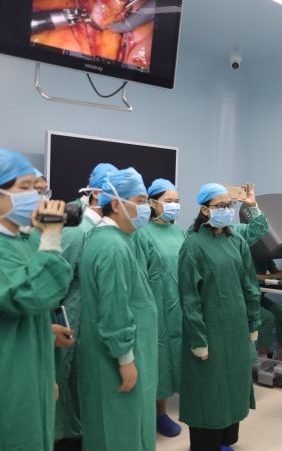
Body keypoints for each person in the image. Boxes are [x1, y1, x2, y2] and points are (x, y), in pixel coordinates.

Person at [0, 148, 73, 451]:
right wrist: (51, 237)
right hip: (2, 381)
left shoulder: (18, 241)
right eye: (25, 188)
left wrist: (44, 334)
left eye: (37, 188)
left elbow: (6, 311)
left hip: (26, 370)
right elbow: (30, 294)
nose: (35, 197)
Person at [78, 167, 158, 451]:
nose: (147, 208)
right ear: (115, 204)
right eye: (140, 201)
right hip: (114, 360)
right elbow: (114, 309)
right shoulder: (112, 246)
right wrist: (125, 359)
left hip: (124, 353)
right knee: (119, 432)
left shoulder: (118, 240)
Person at [178, 183, 261, 451]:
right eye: (220, 206)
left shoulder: (237, 241)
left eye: (229, 205)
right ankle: (206, 444)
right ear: (205, 210)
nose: (226, 210)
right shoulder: (193, 246)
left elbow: (249, 284)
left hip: (236, 329)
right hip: (209, 330)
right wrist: (198, 340)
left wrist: (253, 322)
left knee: (233, 383)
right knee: (210, 388)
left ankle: (226, 440)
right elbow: (189, 298)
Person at [54, 163, 118, 451]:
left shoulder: (101, 229)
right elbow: (56, 284)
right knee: (67, 382)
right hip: (71, 318)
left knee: (83, 384)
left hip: (90, 318)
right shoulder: (77, 230)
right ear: (97, 194)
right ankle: (66, 437)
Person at [133, 178, 185, 437]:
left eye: (177, 201)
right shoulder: (141, 233)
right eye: (168, 201)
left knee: (173, 357)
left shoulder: (180, 233)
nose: (174, 205)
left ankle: (162, 413)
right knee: (156, 359)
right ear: (153, 204)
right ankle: (151, 415)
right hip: (153, 306)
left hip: (179, 305)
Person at [251, 253, 282, 356]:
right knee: (268, 318)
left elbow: (276, 272)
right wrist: (274, 275)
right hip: (245, 299)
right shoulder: (247, 252)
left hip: (258, 297)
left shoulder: (265, 254)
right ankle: (263, 355)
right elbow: (248, 275)